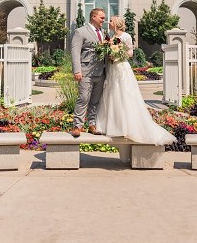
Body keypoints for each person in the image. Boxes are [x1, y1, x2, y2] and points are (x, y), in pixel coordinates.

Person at [94, 16, 176, 146]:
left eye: (110, 21)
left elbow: (130, 53)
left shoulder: (126, 36)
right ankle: (112, 125)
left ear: (116, 23)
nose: (108, 23)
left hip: (121, 67)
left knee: (123, 94)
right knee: (111, 94)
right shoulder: (110, 35)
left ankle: (126, 126)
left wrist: (117, 53)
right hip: (111, 68)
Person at [70, 8, 107, 137]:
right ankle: (77, 126)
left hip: (101, 72)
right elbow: (75, 52)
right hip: (85, 72)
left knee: (95, 101)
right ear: (93, 17)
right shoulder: (80, 32)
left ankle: (92, 124)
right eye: (101, 18)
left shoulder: (103, 32)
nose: (104, 20)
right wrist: (77, 70)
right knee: (83, 98)